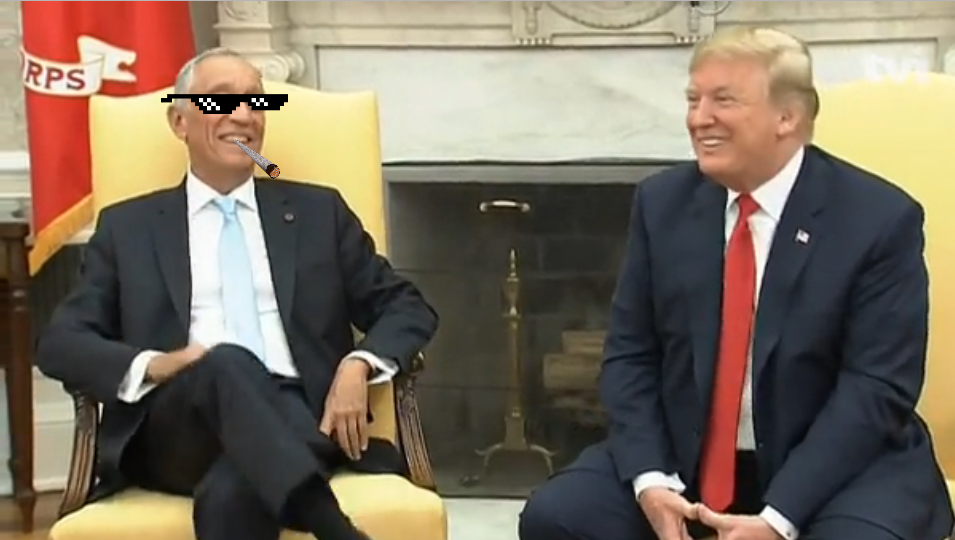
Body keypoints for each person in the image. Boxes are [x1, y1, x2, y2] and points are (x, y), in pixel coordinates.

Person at [518, 26, 953, 540]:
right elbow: (630, 355)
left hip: (838, 469)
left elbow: (876, 388)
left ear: (787, 117)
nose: (699, 118)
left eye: (723, 100)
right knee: (558, 518)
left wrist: (778, 518)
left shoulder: (878, 220)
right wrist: (651, 479)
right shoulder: (662, 204)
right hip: (686, 458)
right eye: (693, 99)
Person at [35, 48, 438, 540]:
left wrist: (359, 363)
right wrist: (155, 364)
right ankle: (334, 528)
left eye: (255, 101)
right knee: (225, 362)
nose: (244, 116)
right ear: (179, 121)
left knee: (234, 491)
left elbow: (405, 305)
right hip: (175, 427)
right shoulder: (129, 228)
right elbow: (60, 342)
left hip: (296, 418)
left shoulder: (318, 214)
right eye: (222, 100)